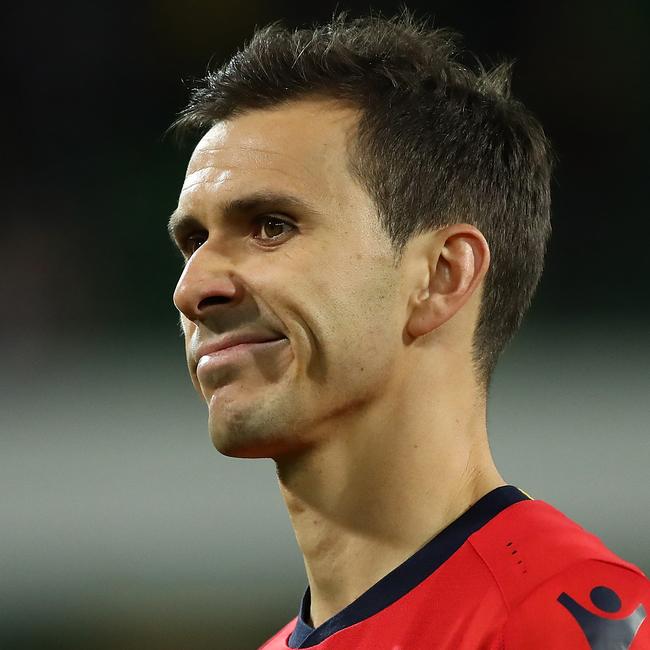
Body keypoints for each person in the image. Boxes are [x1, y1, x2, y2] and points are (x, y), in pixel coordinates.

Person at [167, 12, 650, 649]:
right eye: (193, 241)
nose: (193, 290)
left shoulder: (559, 623)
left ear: (442, 276)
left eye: (271, 226)